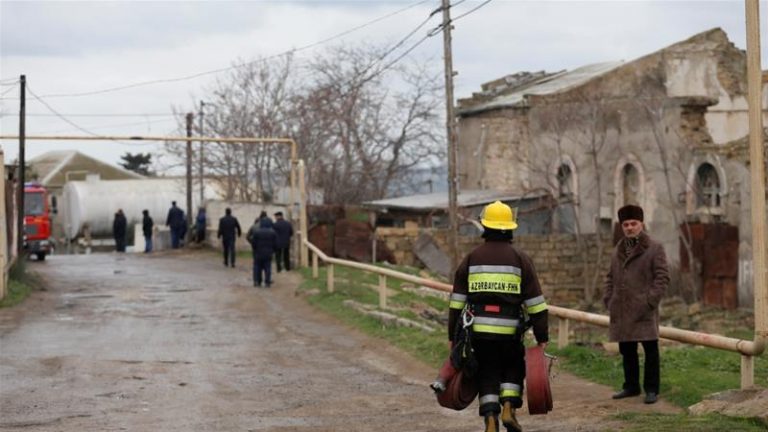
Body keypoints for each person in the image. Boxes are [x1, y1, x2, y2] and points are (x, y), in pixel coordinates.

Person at [444, 201, 549, 432]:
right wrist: (542, 335)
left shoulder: (471, 258)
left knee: (487, 372)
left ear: (485, 226)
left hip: (479, 332)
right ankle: (509, 407)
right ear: (510, 227)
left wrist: (453, 335)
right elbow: (536, 304)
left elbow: (456, 304)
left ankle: (490, 419)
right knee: (513, 366)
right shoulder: (521, 259)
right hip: (510, 333)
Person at [603, 204, 669, 405]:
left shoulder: (654, 248)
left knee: (650, 350)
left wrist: (650, 301)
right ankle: (631, 386)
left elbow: (662, 277)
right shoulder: (618, 249)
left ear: (641, 224)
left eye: (633, 223)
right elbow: (610, 277)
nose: (630, 227)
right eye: (625, 224)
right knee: (627, 350)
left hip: (644, 310)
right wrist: (609, 299)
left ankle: (651, 390)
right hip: (622, 309)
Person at [246, 217, 277, 287]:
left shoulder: (257, 232)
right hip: (268, 253)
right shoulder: (273, 232)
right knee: (268, 268)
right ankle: (267, 282)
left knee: (257, 267)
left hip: (258, 252)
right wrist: (273, 251)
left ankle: (257, 281)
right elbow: (275, 244)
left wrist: (255, 249)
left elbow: (253, 243)